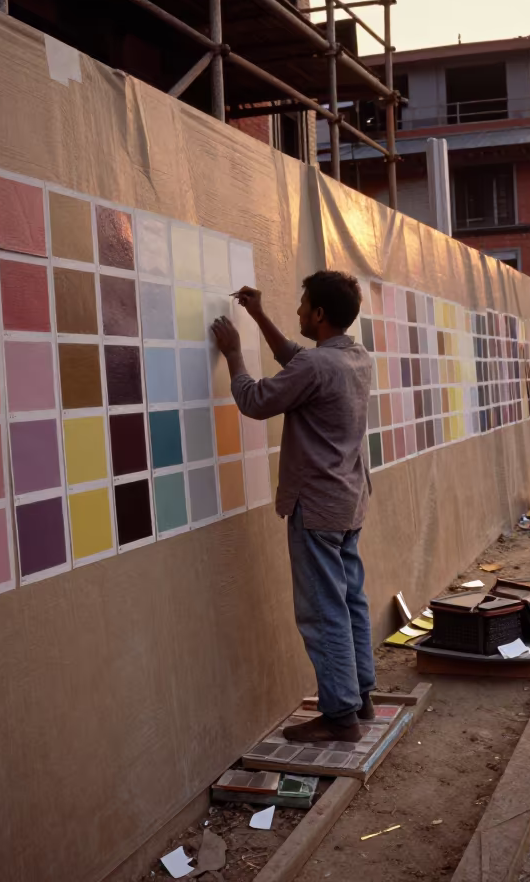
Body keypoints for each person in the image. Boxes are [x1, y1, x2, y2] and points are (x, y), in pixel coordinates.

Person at [211, 271, 374, 744]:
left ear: (319, 315)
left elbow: (256, 400)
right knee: (349, 600)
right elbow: (301, 362)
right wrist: (260, 315)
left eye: (303, 306)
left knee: (323, 611)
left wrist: (234, 353)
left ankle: (340, 715)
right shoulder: (355, 357)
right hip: (348, 500)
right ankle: (359, 696)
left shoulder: (318, 368)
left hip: (317, 505)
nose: (299, 312)